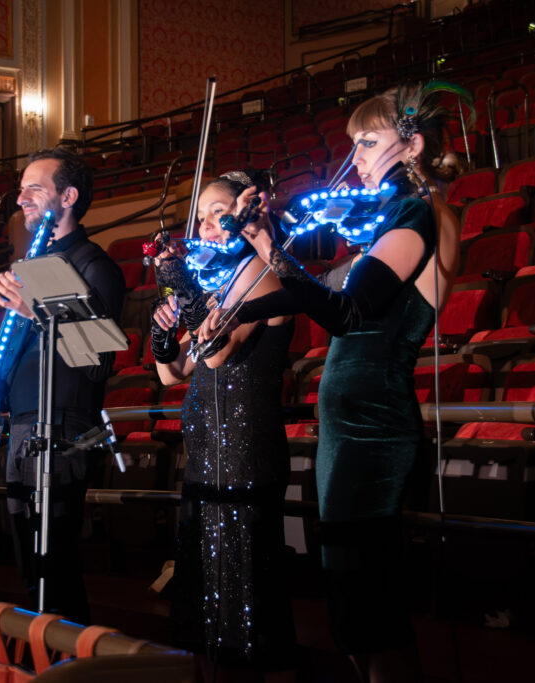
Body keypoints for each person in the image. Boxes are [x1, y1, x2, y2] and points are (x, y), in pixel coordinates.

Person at [202, 83, 464, 682]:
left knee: (371, 603)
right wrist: (270, 247)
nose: (357, 157)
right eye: (354, 144)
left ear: (414, 143)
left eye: (368, 142)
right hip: (348, 425)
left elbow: (350, 313)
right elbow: (327, 295)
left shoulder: (416, 213)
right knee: (351, 602)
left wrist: (275, 257)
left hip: (374, 427)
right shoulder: (388, 220)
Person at [0, 147, 126, 623]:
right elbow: (25, 350)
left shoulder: (95, 266)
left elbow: (95, 364)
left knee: (55, 566)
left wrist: (35, 310)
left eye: (35, 188)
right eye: (21, 189)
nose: (21, 198)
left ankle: (74, 665)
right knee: (27, 567)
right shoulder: (28, 268)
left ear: (68, 196)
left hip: (64, 432)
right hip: (23, 428)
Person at [151, 170, 297, 680]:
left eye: (219, 214)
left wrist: (188, 294)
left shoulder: (260, 274)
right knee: (205, 596)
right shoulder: (217, 282)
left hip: (244, 450)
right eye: (201, 217)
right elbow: (174, 374)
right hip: (208, 451)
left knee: (243, 592)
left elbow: (215, 355)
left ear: (246, 214)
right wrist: (162, 335)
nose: (207, 227)